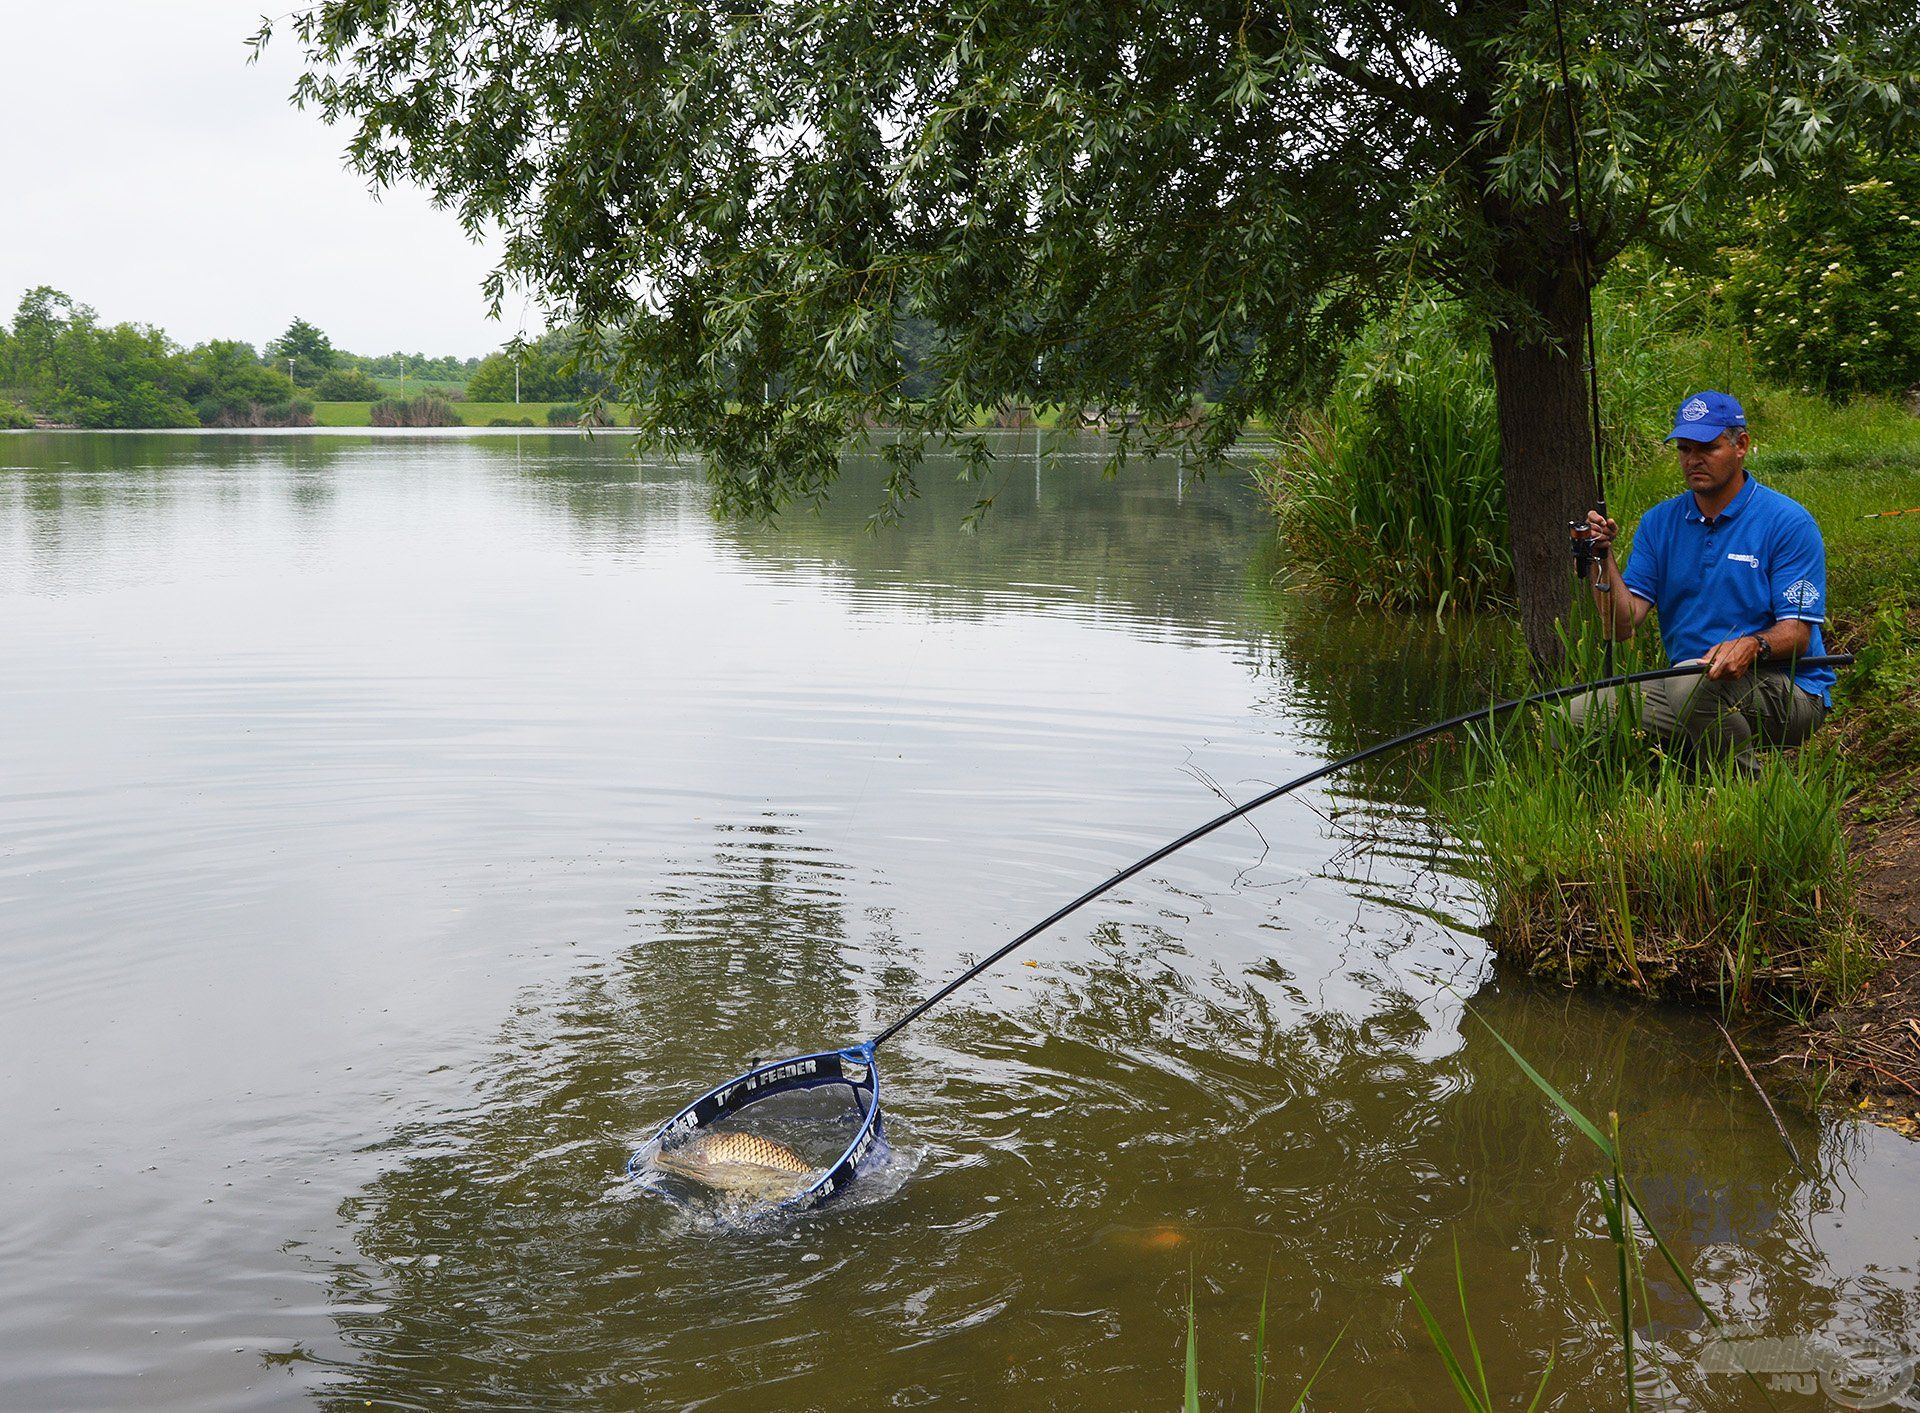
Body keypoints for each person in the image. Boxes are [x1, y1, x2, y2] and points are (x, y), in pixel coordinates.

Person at [1567, 390, 1832, 768]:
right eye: (1684, 449)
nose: (1693, 460)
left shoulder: (1787, 522)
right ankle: (1673, 785)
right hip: (1689, 682)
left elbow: (1797, 633)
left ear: (1741, 445)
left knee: (1690, 687)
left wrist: (1751, 645)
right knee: (1575, 716)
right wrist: (1600, 557)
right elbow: (1620, 625)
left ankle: (1744, 796)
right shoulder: (1659, 523)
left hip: (1787, 689)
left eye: (1707, 448)